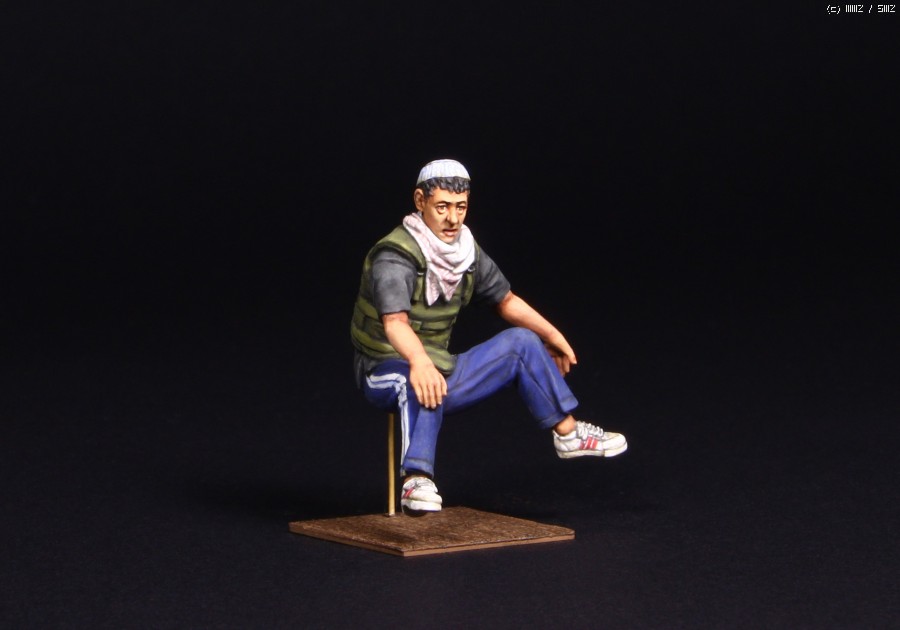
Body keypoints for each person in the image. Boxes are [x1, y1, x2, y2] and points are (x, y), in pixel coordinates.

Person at [350, 159, 627, 514]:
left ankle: (568, 433)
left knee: (521, 342)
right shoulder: (395, 255)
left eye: (460, 207)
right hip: (383, 367)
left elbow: (505, 300)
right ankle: (416, 479)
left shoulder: (465, 252)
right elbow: (394, 322)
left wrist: (552, 334)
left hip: (438, 365)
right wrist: (419, 361)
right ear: (420, 201)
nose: (453, 218)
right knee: (420, 381)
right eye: (442, 207)